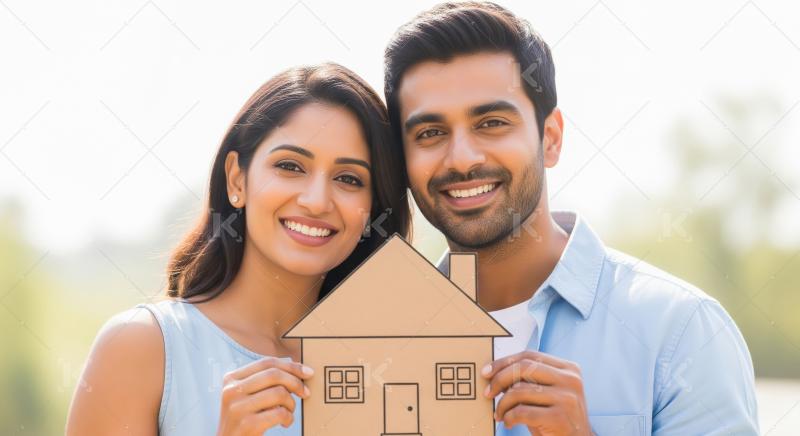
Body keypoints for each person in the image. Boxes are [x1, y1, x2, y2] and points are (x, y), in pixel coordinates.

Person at [384, 2, 759, 434]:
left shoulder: (681, 333)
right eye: (430, 133)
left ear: (551, 138)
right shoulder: (367, 343)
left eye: (491, 122)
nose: (463, 158)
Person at [66, 63, 411, 435]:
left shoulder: (397, 365)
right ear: (237, 179)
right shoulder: (143, 347)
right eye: (291, 166)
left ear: (372, 208)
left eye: (349, 178)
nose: (316, 201)